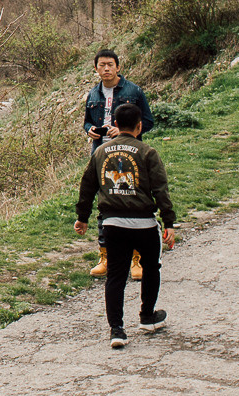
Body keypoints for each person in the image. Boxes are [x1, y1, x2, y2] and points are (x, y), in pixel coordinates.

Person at [76, 101, 177, 348]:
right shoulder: (148, 152)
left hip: (112, 224)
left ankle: (117, 330)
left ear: (116, 125)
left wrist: (82, 216)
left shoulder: (100, 152)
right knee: (151, 268)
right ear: (140, 126)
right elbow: (160, 189)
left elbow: (87, 186)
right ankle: (147, 317)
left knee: (116, 276)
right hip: (144, 224)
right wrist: (169, 221)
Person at [82, 50, 155, 278]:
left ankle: (137, 259)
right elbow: (86, 122)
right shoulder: (93, 94)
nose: (106, 69)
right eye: (102, 65)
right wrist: (90, 130)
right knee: (105, 203)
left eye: (110, 65)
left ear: (118, 67)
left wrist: (123, 131)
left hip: (129, 154)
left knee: (132, 202)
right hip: (101, 155)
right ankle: (105, 256)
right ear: (95, 69)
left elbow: (149, 121)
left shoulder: (133, 91)